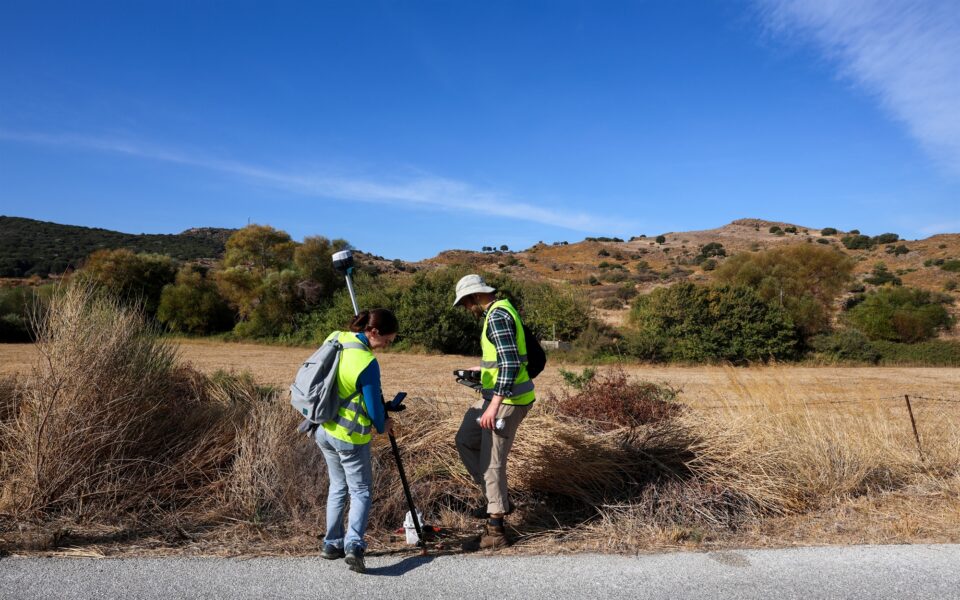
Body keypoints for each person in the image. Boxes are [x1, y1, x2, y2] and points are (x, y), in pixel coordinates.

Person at [452, 274, 535, 549]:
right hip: (496, 397)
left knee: (492, 462)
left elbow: (510, 364)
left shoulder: (498, 315)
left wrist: (494, 407)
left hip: (508, 401)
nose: (466, 309)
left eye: (464, 304)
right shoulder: (497, 312)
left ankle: (495, 531)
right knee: (465, 438)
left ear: (474, 298)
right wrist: (481, 370)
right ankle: (496, 499)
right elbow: (501, 359)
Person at [315, 308, 398, 574]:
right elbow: (374, 409)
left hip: (323, 429)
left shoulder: (336, 338)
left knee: (338, 487)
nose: (387, 345)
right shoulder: (367, 362)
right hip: (350, 436)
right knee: (360, 490)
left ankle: (331, 544)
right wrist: (384, 424)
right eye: (386, 340)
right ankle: (354, 545)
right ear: (373, 332)